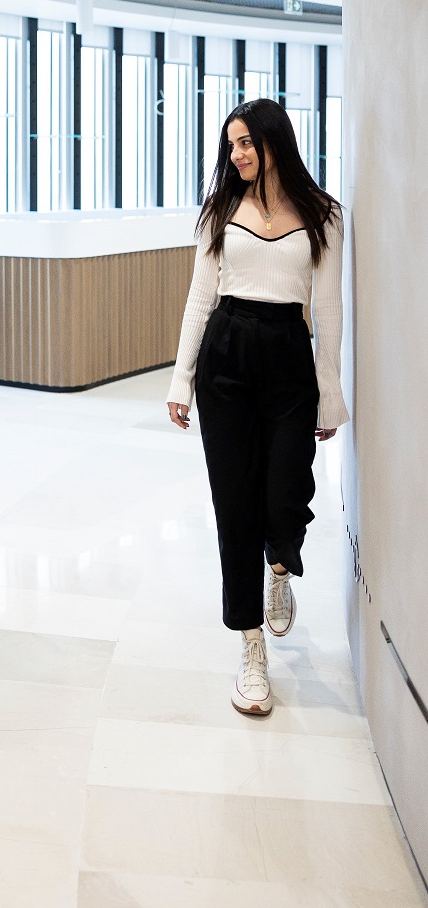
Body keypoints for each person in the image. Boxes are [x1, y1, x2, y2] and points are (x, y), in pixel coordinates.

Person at [167, 98, 349, 717]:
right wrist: (181, 381)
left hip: (288, 355)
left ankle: (280, 567)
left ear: (275, 141)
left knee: (286, 493)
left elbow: (329, 311)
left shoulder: (323, 214)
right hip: (226, 355)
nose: (238, 154)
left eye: (246, 142)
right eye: (231, 145)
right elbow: (200, 297)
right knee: (235, 506)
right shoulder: (220, 210)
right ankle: (251, 647)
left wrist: (330, 393)